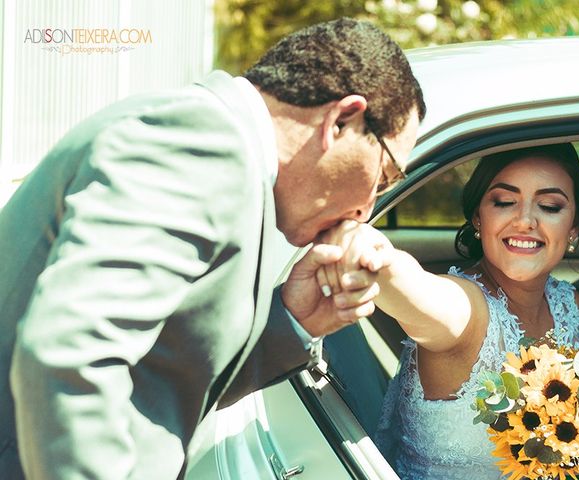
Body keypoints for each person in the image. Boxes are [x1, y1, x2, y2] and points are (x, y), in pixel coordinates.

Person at [0, 18, 425, 479]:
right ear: (342, 120)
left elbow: (164, 381)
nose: (366, 210)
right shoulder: (204, 140)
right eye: (382, 178)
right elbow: (72, 353)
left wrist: (294, 321)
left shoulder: (231, 159)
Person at [319, 143, 579, 479]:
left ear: (573, 227)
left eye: (549, 206)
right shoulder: (465, 308)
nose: (525, 221)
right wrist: (371, 257)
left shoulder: (569, 305)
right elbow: (414, 290)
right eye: (504, 202)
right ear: (478, 217)